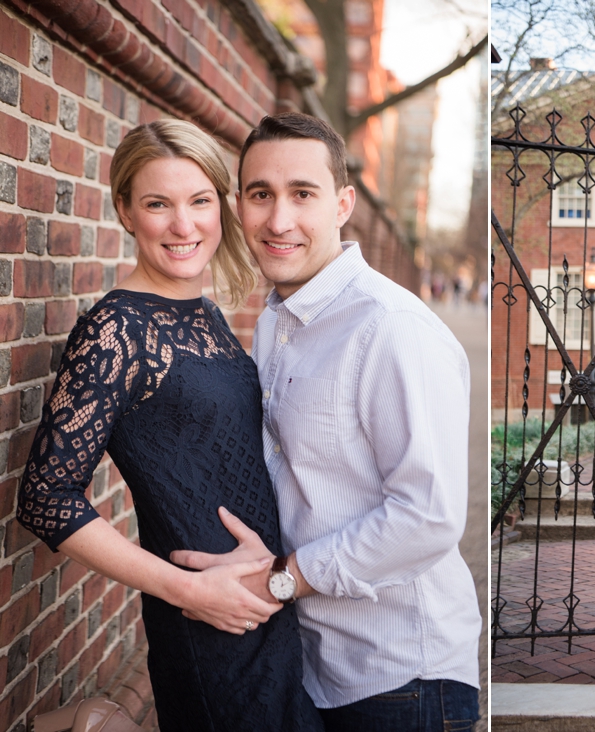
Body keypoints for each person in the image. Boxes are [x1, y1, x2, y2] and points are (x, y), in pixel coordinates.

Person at [172, 112, 482, 731]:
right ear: (239, 206)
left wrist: (281, 580)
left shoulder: (391, 330)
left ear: (343, 204)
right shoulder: (275, 320)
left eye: (302, 194)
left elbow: (429, 516)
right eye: (261, 194)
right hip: (314, 668)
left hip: (402, 682)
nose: (279, 220)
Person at [16, 120, 324, 732]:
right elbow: (45, 498)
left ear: (223, 208)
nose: (184, 226)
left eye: (200, 201)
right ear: (127, 211)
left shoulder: (203, 312)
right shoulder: (115, 330)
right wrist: (186, 591)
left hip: (262, 606)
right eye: (159, 204)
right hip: (207, 619)